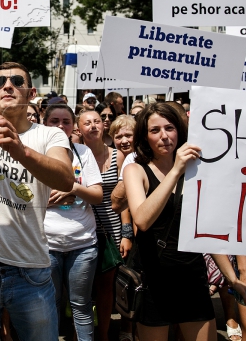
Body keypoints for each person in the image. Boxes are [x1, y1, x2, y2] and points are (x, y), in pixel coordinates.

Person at [0, 57, 74, 341]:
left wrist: (21, 151)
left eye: (17, 81)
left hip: (31, 271)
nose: (8, 85)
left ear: (31, 93)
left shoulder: (50, 134)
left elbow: (65, 179)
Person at [123, 103, 215, 341]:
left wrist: (235, 277)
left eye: (170, 128)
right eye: (155, 130)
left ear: (180, 132)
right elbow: (142, 220)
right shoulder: (136, 170)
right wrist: (175, 171)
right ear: (145, 136)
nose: (164, 136)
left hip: (191, 274)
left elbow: (207, 230)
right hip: (153, 276)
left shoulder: (197, 169)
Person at [42, 104, 103, 341]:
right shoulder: (34, 152)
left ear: (73, 126)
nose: (60, 126)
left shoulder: (83, 153)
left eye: (66, 121)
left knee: (81, 304)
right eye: (54, 120)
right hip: (46, 245)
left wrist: (74, 188)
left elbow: (97, 196)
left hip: (83, 245)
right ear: (44, 123)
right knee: (50, 304)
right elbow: (23, 198)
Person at [78, 109, 130, 341]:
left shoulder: (118, 155)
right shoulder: (74, 156)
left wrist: (126, 233)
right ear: (79, 129)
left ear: (104, 126)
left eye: (97, 121)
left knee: (106, 287)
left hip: (111, 228)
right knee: (83, 287)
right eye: (87, 122)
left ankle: (104, 334)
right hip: (82, 227)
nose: (93, 126)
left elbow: (125, 196)